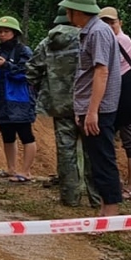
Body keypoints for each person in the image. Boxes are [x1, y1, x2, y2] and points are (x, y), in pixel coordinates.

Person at [60, 0, 123, 216]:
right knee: (97, 160)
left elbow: (101, 71)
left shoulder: (98, 32)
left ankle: (111, 214)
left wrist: (93, 111)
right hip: (90, 107)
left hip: (99, 108)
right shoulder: (91, 31)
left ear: (76, 12)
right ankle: (106, 210)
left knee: (103, 160)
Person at [28, 11, 93, 207]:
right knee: (92, 151)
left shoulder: (47, 42)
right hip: (88, 105)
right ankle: (97, 198)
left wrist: (48, 90)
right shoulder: (87, 39)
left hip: (59, 105)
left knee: (66, 151)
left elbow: (31, 72)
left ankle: (70, 198)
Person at [0, 16, 37, 182]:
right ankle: (11, 169)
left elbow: (28, 73)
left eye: (6, 31)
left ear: (14, 33)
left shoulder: (24, 51)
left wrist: (5, 65)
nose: (2, 34)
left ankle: (26, 171)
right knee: (8, 135)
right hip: (1, 101)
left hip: (20, 100)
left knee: (26, 135)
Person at [98, 7, 131, 200]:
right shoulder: (112, 40)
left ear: (120, 23)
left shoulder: (121, 40)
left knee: (130, 141)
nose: (109, 26)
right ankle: (118, 184)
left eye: (112, 22)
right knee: (115, 141)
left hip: (124, 99)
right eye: (105, 23)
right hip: (116, 97)